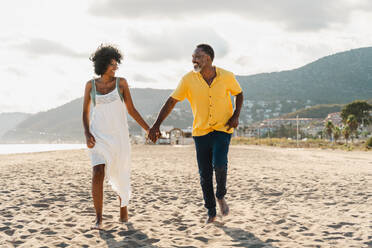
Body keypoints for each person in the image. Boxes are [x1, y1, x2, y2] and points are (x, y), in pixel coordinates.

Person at [148, 44, 243, 223]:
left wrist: (235, 116)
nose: (193, 60)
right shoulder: (188, 79)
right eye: (193, 57)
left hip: (223, 128)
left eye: (197, 57)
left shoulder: (226, 76)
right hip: (200, 132)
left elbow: (239, 93)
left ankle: (220, 195)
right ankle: (211, 212)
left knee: (220, 164)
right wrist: (156, 125)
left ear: (208, 58)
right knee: (205, 174)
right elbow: (171, 101)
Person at [82, 45, 149, 229]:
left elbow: (131, 110)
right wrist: (87, 133)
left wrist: (148, 129)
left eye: (116, 63)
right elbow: (85, 113)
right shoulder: (91, 85)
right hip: (98, 136)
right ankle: (98, 217)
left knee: (121, 173)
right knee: (97, 173)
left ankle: (123, 209)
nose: (115, 67)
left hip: (119, 137)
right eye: (112, 64)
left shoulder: (121, 83)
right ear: (103, 64)